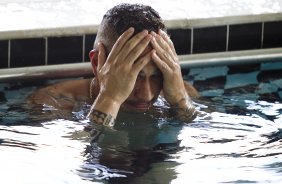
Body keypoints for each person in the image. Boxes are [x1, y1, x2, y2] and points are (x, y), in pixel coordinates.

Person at [28, 3, 199, 129]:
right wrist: (110, 98)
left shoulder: (179, 92)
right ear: (97, 63)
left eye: (156, 75)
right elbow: (79, 158)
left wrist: (180, 101)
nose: (146, 95)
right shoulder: (52, 102)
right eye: (133, 75)